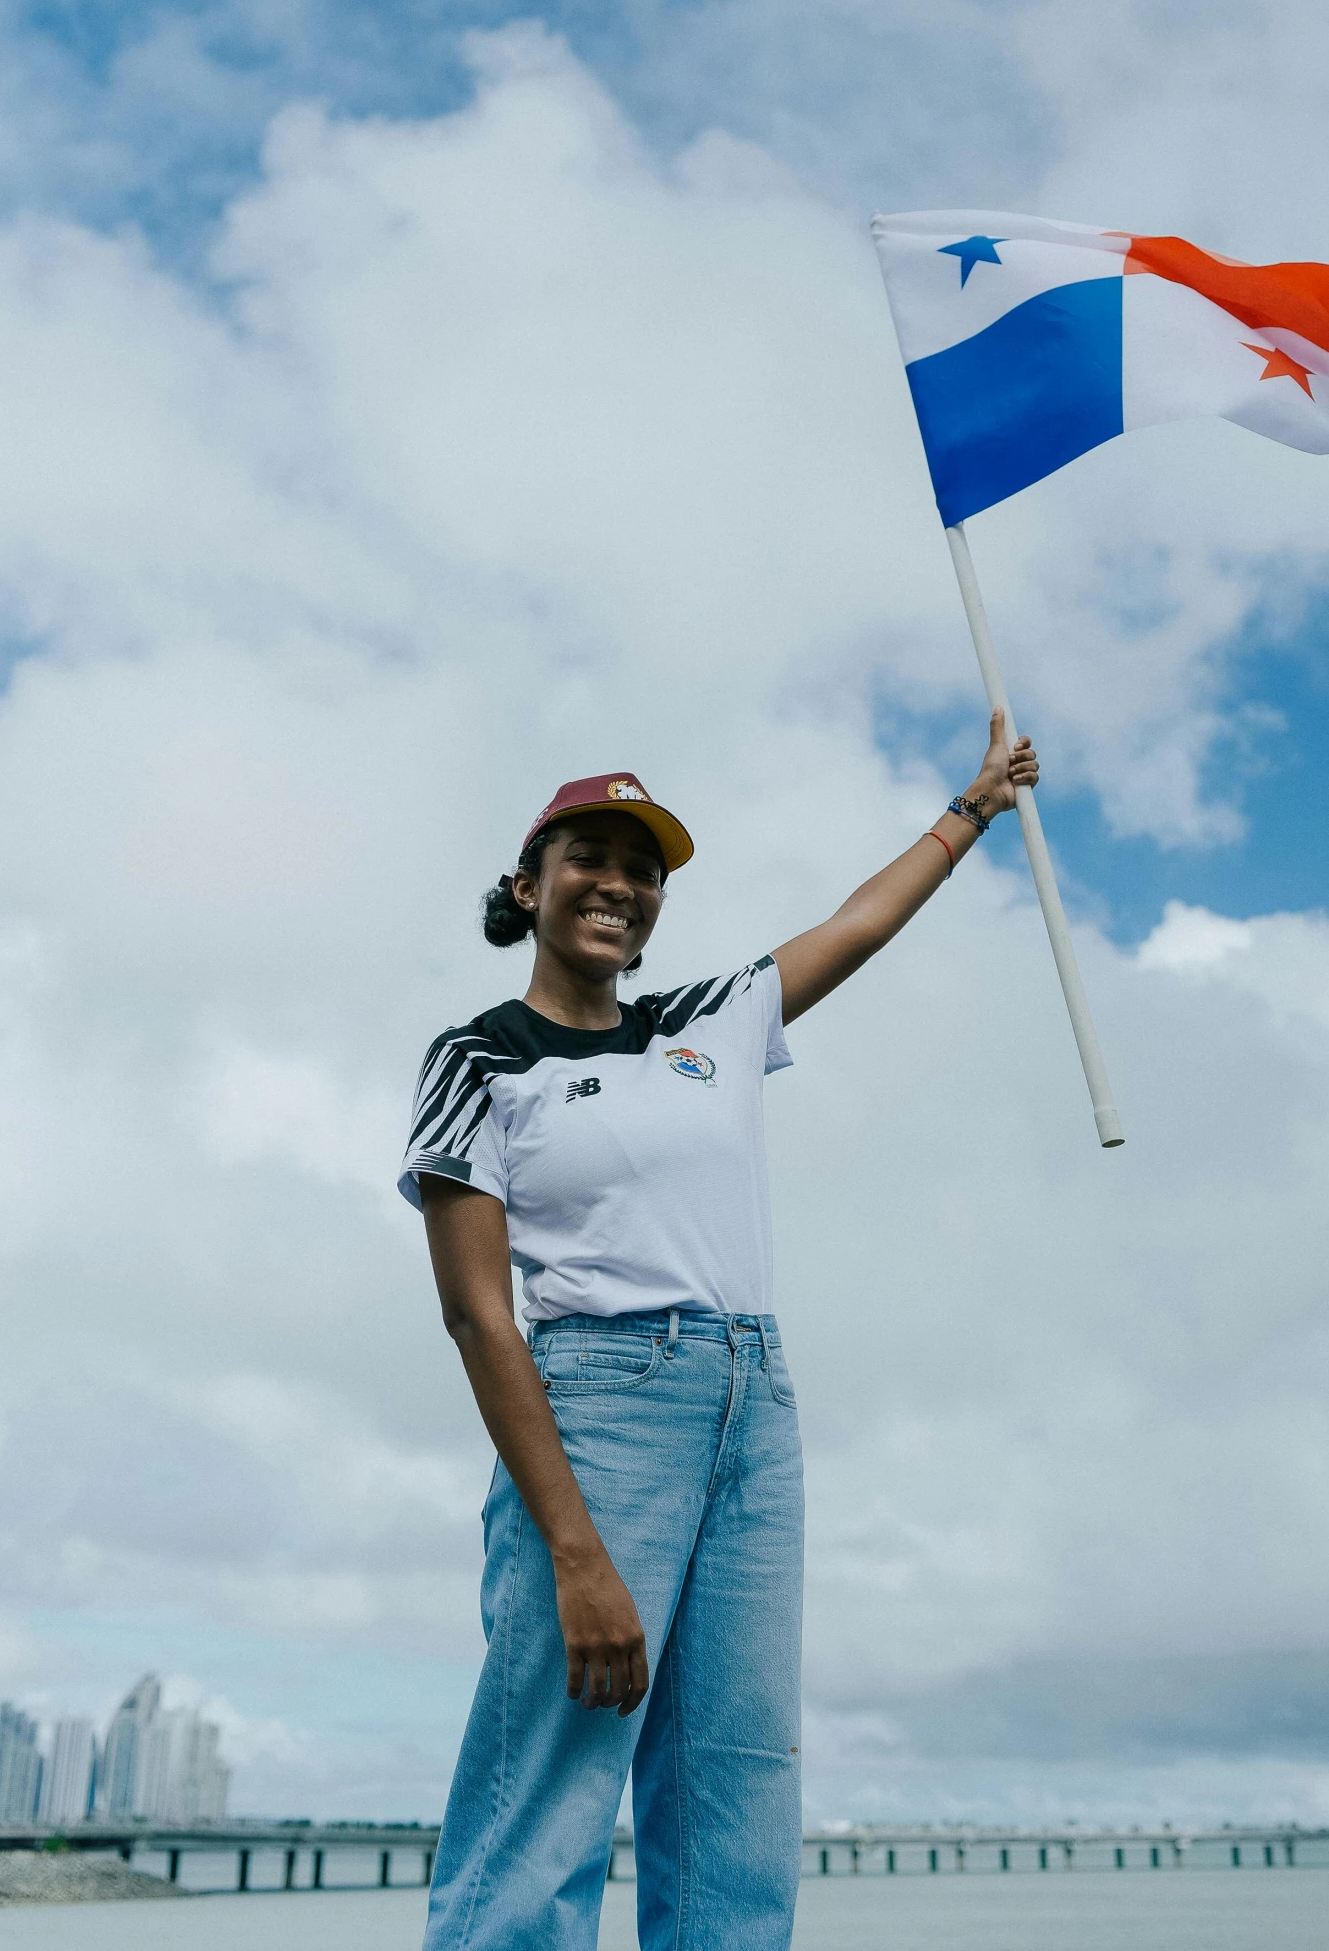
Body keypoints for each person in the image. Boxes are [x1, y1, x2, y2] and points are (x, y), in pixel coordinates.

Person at [401, 713, 1039, 1951]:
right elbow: (477, 1315)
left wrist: (975, 808)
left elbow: (858, 921)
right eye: (593, 856)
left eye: (644, 871)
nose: (622, 885)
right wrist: (577, 1552)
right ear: (529, 884)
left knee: (736, 1777)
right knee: (554, 1762)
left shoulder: (706, 1021)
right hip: (600, 1397)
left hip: (756, 1396)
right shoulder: (479, 1056)